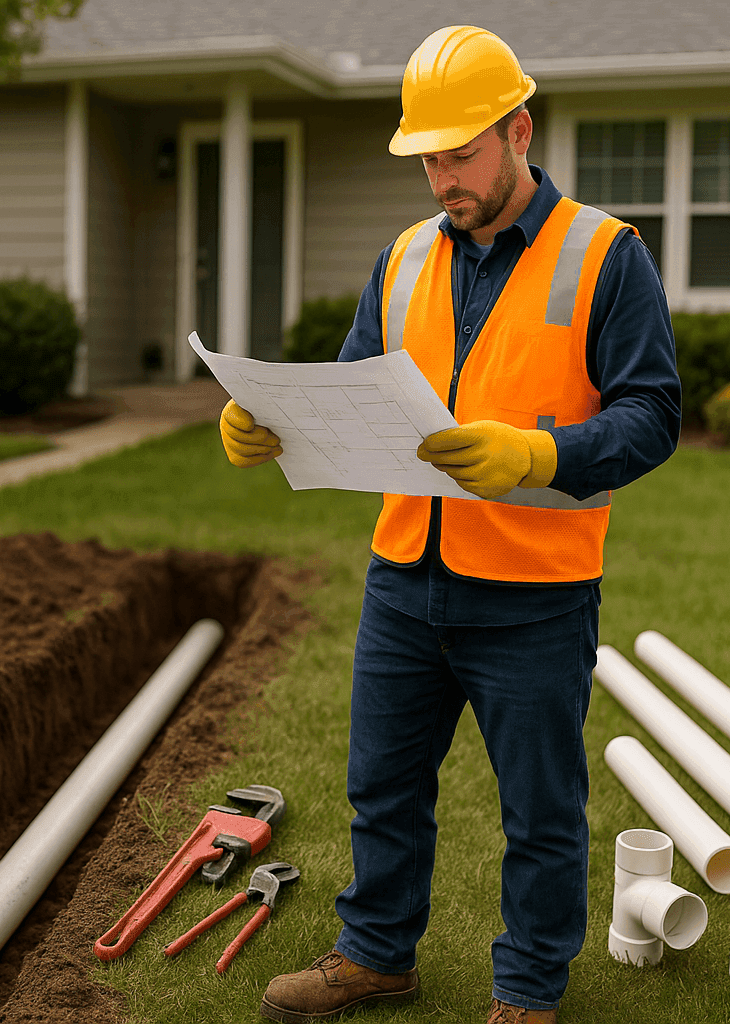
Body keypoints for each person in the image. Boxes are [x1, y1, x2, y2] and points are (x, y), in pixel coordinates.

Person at [219, 24, 680, 1024]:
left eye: (460, 153)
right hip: (404, 578)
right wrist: (269, 421)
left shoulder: (606, 255)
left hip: (535, 591)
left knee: (541, 814)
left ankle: (527, 991)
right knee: (380, 787)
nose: (442, 179)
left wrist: (541, 453)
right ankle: (378, 954)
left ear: (520, 130)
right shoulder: (401, 261)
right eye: (429, 157)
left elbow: (654, 416)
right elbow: (347, 389)